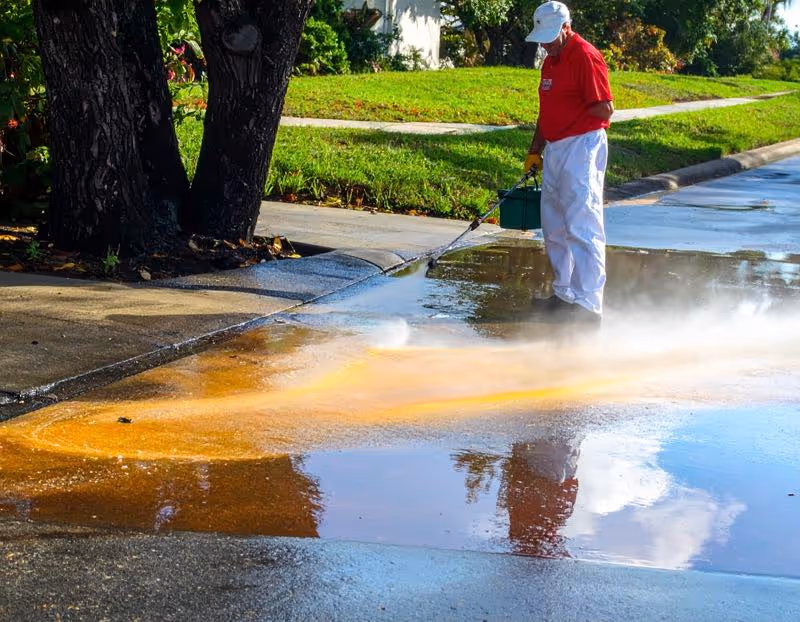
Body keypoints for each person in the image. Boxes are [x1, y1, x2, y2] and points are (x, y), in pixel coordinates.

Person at [523, 1, 614, 322]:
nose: (545, 44)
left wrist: (567, 121)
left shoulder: (585, 56)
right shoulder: (550, 61)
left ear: (566, 27)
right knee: (554, 225)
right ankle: (564, 294)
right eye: (542, 38)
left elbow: (604, 109)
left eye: (550, 37)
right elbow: (546, 110)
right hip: (556, 148)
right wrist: (535, 150)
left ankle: (589, 305)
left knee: (582, 223)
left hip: (582, 145)